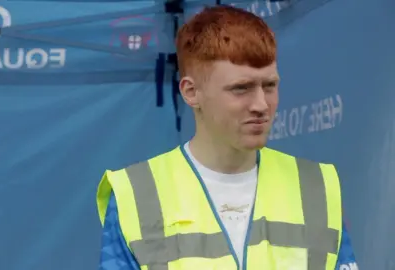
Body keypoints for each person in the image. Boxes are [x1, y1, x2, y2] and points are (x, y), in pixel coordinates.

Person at [96, 5, 358, 270]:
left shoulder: (317, 188)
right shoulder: (137, 194)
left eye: (269, 86)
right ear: (190, 92)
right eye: (240, 88)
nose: (261, 104)